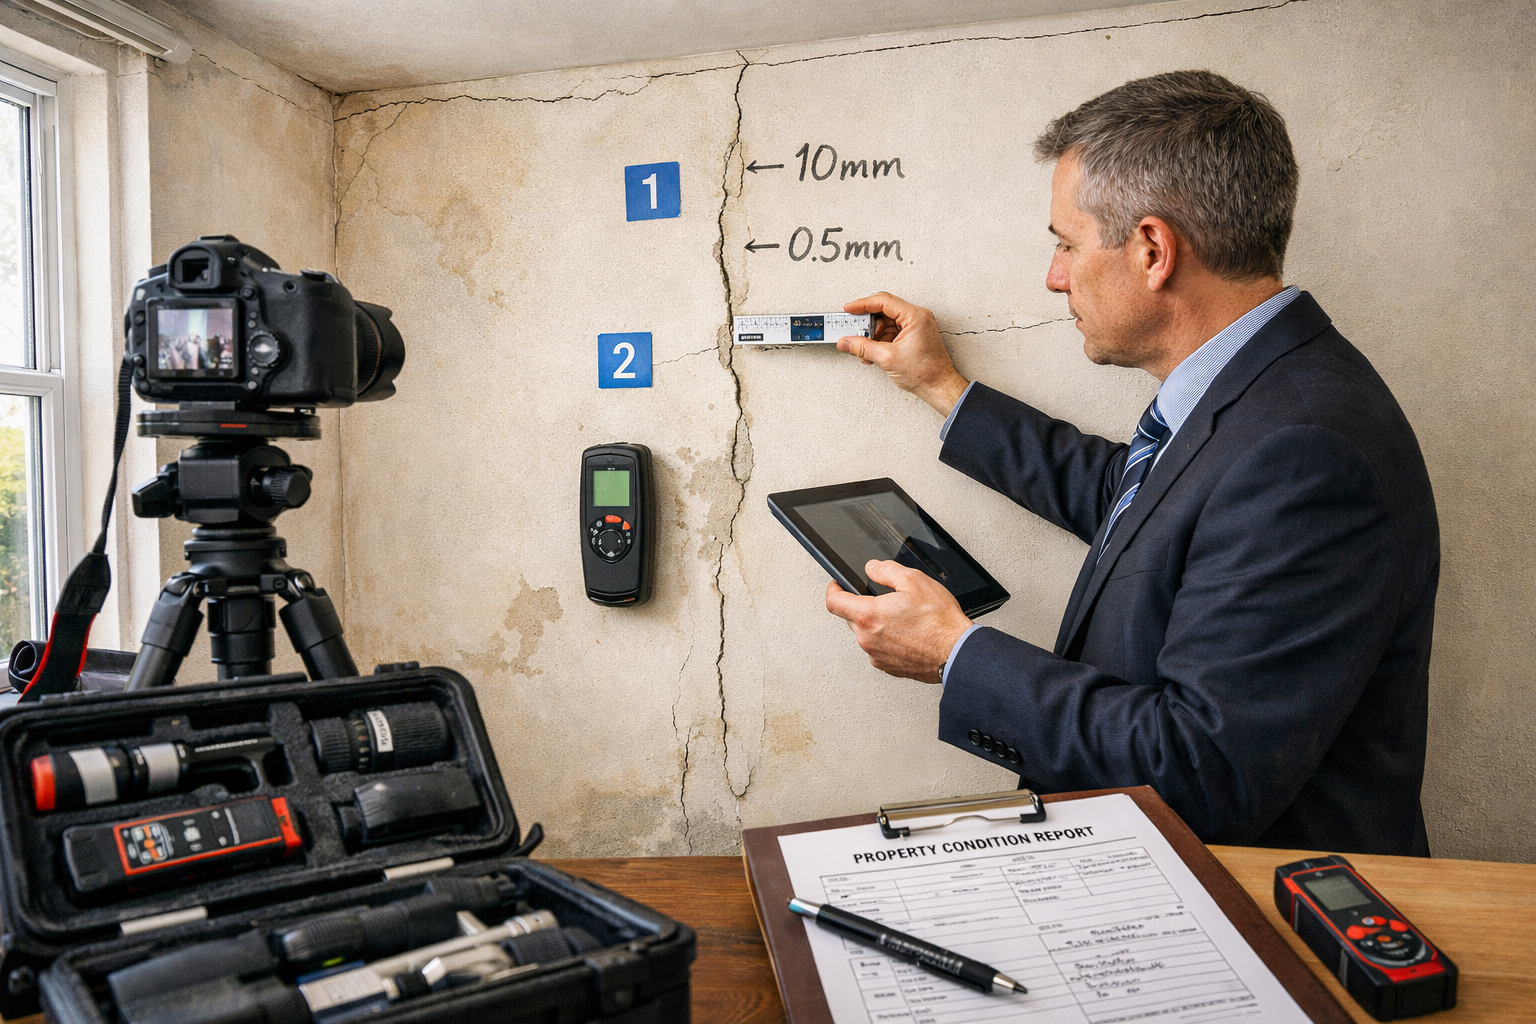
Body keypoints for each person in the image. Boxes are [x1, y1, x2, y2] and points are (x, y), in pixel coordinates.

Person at [825, 70, 1438, 854]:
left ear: (1152, 249)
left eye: (1066, 243)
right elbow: (1136, 497)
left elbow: (1201, 772)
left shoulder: (1306, 448)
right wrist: (943, 386)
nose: (1053, 275)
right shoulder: (1266, 394)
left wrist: (956, 655)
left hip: (1267, 932)